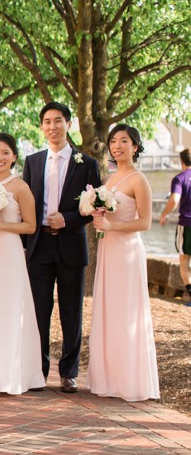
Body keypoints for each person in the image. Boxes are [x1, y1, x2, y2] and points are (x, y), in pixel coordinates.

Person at [22, 101, 101, 393]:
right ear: (42, 127)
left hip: (71, 245)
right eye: (47, 121)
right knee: (39, 311)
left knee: (71, 312)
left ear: (68, 124)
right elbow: (26, 207)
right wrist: (23, 246)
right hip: (39, 245)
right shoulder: (32, 162)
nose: (52, 126)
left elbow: (95, 208)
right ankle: (38, 370)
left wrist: (67, 220)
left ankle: (69, 372)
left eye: (58, 121)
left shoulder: (87, 164)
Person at [88, 124, 159, 402]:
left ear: (136, 146)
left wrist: (112, 226)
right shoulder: (110, 179)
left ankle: (130, 381)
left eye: (124, 141)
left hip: (128, 252)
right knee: (109, 311)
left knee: (127, 312)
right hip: (109, 250)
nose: (117, 146)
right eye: (113, 142)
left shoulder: (138, 179)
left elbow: (145, 222)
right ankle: (109, 378)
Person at [0, 133, 45, 395]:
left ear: (14, 157)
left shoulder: (20, 187)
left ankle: (12, 374)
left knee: (11, 310)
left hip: (11, 254)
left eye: (5, 153)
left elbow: (31, 226)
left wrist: (2, 224)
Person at [159, 148, 191, 304]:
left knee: (184, 260)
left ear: (182, 161)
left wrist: (164, 214)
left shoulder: (180, 179)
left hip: (186, 225)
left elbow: (174, 200)